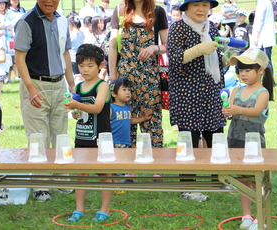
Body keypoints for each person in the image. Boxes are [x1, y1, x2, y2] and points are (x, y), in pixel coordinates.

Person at [167, 0, 228, 201]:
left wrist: (227, 58)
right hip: (187, 92)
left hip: (211, 90)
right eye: (196, 5)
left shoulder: (211, 26)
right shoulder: (177, 27)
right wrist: (198, 49)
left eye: (205, 5)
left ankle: (218, 180)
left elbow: (218, 56)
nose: (201, 9)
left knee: (215, 135)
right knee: (189, 140)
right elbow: (174, 60)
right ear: (186, 8)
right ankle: (188, 187)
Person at [14, 0, 74, 201]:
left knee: (60, 133)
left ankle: (60, 180)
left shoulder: (62, 21)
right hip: (35, 84)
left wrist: (72, 85)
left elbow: (65, 54)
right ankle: (40, 185)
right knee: (38, 136)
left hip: (59, 85)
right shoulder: (26, 21)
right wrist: (30, 89)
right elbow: (19, 58)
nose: (50, 1)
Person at [223, 48, 274, 230]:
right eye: (240, 71)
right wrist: (227, 112)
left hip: (253, 144)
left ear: (260, 70)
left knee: (255, 180)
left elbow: (255, 112)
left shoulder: (263, 92)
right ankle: (246, 215)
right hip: (235, 140)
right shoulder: (236, 90)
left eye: (247, 70)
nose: (243, 74)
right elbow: (231, 114)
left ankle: (260, 217)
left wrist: (237, 110)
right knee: (242, 181)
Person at [109, 0, 168, 148]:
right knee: (125, 121)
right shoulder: (119, 10)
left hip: (149, 77)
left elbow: (168, 45)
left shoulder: (158, 11)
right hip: (124, 77)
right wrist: (112, 76)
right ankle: (128, 166)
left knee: (152, 121)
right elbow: (113, 45)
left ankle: (155, 166)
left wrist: (154, 47)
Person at [63, 44, 112, 223]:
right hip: (82, 137)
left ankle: (104, 209)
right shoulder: (77, 87)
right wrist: (74, 112)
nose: (85, 69)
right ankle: (79, 209)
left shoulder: (103, 86)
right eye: (81, 65)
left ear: (100, 66)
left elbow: (98, 108)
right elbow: (78, 114)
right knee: (80, 174)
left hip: (101, 137)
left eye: (90, 66)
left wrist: (77, 106)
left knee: (103, 174)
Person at [0, 0, 15, 83]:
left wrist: (5, 25)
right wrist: (7, 25)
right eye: (0, 4)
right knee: (2, 57)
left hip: (10, 38)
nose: (2, 6)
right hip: (1, 39)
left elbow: (13, 23)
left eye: (3, 4)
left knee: (10, 58)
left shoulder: (9, 12)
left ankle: (8, 77)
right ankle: (1, 77)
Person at [252, 0, 276, 73]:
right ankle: (268, 81)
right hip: (266, 37)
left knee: (264, 61)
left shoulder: (262, 4)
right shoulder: (267, 3)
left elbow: (260, 21)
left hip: (263, 38)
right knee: (265, 60)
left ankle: (269, 81)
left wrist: (256, 36)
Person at [7, 0, 26, 80]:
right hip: (11, 36)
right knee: (13, 57)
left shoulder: (22, 10)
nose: (15, 1)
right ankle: (11, 76)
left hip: (23, 35)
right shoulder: (8, 11)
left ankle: (21, 74)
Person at [67, 12, 85, 84]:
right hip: (79, 57)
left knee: (74, 75)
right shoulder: (81, 33)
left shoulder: (71, 34)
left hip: (72, 57)